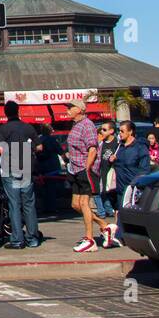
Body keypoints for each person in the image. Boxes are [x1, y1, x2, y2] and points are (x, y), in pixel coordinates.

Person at [0, 101, 41, 249]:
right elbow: (39, 146)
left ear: (5, 113)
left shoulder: (3, 129)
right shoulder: (28, 128)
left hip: (10, 169)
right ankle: (32, 238)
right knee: (29, 204)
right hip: (27, 168)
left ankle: (17, 239)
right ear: (18, 111)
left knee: (14, 204)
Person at [64, 102, 109, 253]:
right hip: (75, 169)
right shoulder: (76, 125)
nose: (68, 110)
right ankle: (104, 225)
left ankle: (90, 240)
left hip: (84, 169)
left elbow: (92, 149)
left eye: (71, 107)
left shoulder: (87, 125)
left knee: (84, 203)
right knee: (75, 205)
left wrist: (87, 168)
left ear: (80, 110)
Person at [112, 121, 151, 242]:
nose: (120, 133)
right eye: (119, 131)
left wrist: (135, 183)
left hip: (133, 186)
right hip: (120, 184)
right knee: (121, 211)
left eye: (122, 131)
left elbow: (145, 169)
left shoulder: (140, 147)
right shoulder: (120, 147)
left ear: (130, 132)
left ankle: (129, 236)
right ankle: (120, 236)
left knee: (134, 213)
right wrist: (112, 160)